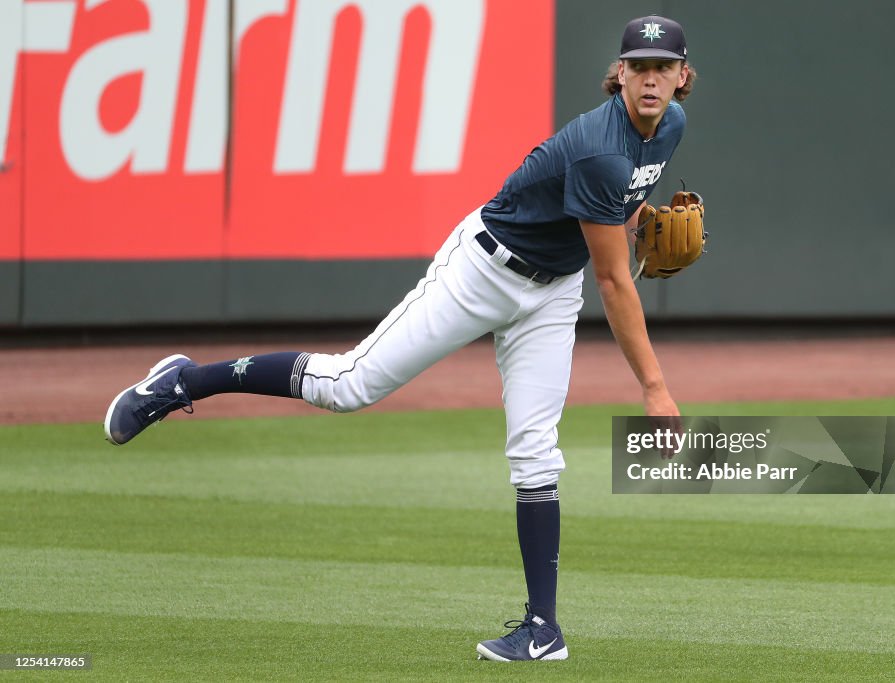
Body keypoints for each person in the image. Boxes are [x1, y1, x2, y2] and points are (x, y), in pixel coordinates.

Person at [104, 14, 695, 662]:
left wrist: (644, 223)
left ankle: (543, 628)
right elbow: (614, 280)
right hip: (484, 268)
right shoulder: (597, 145)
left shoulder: (670, 126)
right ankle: (184, 380)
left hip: (552, 290)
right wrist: (656, 388)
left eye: (662, 67)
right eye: (638, 66)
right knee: (349, 383)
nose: (650, 79)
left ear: (682, 76)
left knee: (536, 450)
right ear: (620, 74)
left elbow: (621, 207)